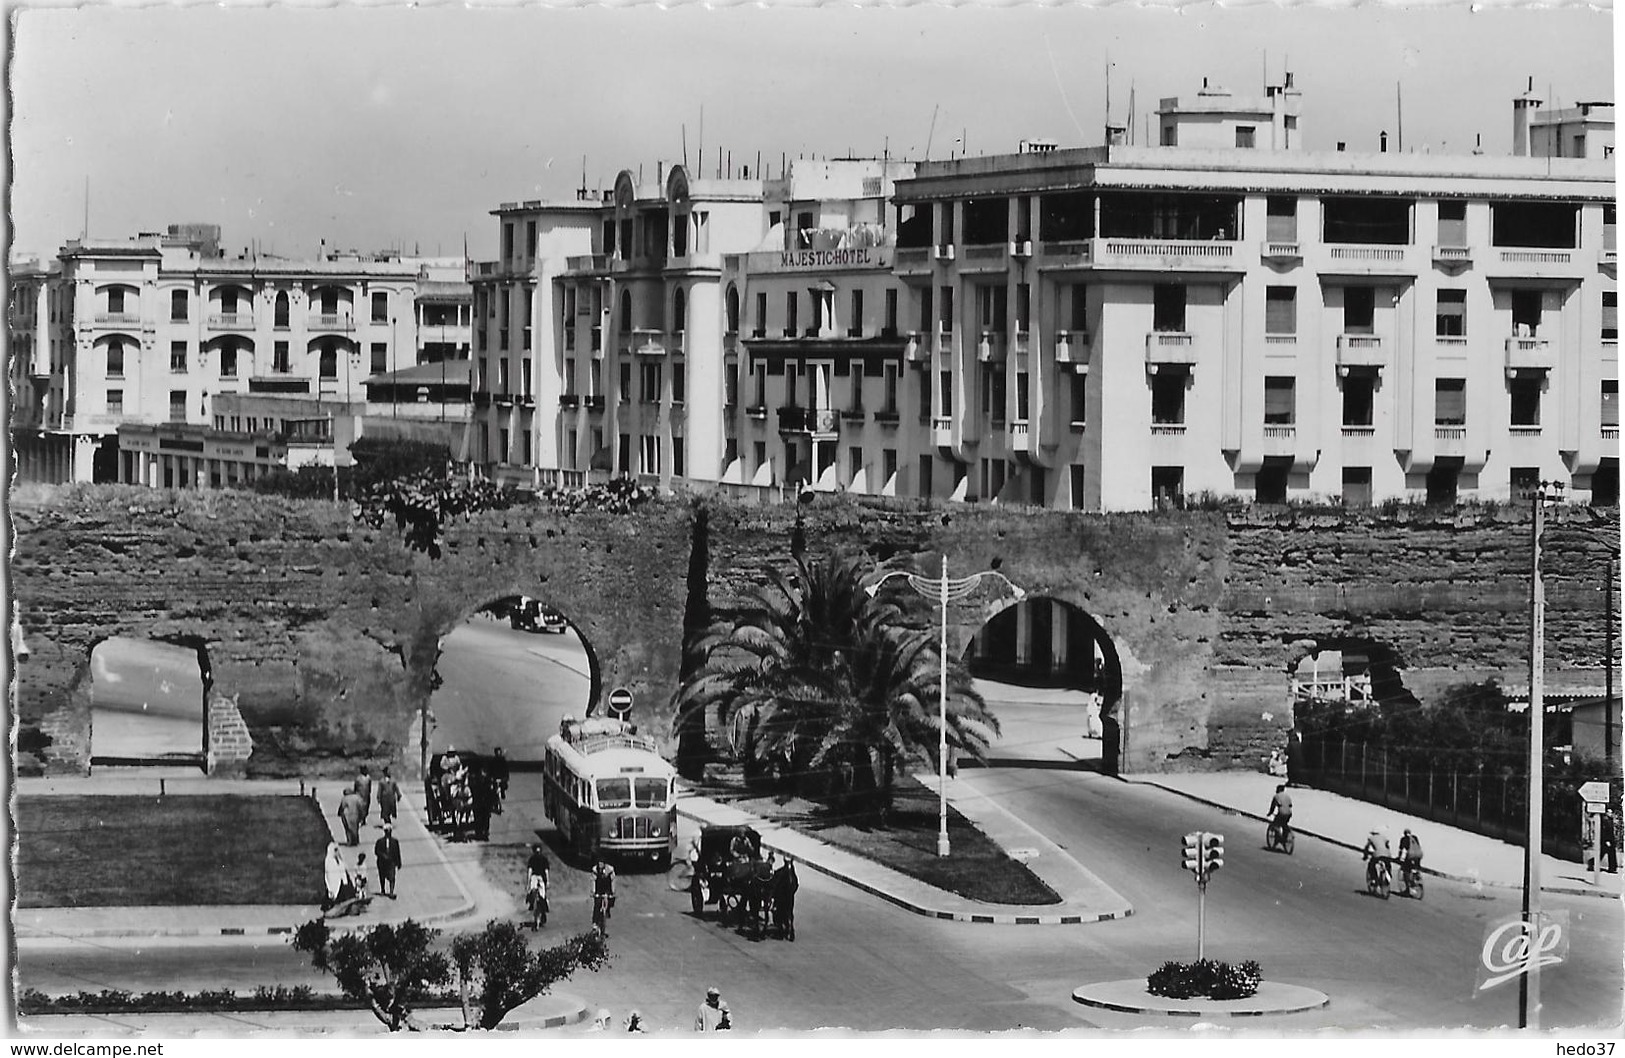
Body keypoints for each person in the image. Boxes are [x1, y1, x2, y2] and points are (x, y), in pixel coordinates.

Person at [772, 853, 799, 941]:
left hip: (787, 896)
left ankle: (788, 930)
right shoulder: (783, 873)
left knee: (787, 912)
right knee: (784, 912)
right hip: (784, 895)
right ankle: (783, 931)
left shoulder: (787, 873)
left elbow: (795, 884)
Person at [374, 824, 402, 899]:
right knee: (382, 876)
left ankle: (391, 892)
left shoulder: (395, 841)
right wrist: (383, 855)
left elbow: (397, 852)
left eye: (389, 831)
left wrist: (399, 863)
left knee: (392, 877)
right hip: (382, 862)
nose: (388, 833)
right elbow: (376, 851)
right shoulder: (379, 841)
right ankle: (383, 890)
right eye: (387, 831)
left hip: (391, 862)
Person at [526, 843, 550, 927]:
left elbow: (546, 871)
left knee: (541, 895)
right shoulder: (535, 859)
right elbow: (530, 871)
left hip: (540, 878)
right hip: (535, 877)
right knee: (533, 890)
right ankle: (532, 902)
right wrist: (528, 883)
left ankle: (541, 908)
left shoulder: (539, 859)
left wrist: (547, 881)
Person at [592, 857, 616, 934]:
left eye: (602, 863)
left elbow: (613, 881)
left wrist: (613, 891)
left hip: (607, 888)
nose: (600, 865)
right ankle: (595, 923)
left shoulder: (610, 870)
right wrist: (593, 891)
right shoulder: (595, 870)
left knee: (610, 899)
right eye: (599, 863)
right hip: (598, 888)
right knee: (597, 904)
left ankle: (607, 910)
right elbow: (593, 880)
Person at [1397, 827, 1424, 894]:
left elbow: (1402, 849)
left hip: (1410, 856)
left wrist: (1400, 858)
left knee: (1406, 871)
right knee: (1415, 867)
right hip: (1418, 855)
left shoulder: (1404, 839)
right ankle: (1416, 877)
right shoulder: (1415, 838)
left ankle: (1408, 888)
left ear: (1404, 833)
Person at [489, 747, 510, 814]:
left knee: (503, 785)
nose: (498, 754)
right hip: (495, 778)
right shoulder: (493, 761)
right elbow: (490, 770)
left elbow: (506, 769)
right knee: (493, 790)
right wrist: (491, 777)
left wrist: (506, 777)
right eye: (497, 753)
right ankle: (494, 802)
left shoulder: (503, 760)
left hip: (501, 777)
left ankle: (503, 792)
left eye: (499, 752)